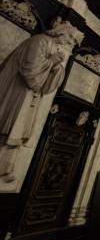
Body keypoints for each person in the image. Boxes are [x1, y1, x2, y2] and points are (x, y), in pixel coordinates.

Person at [0, 20, 83, 183]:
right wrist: (52, 61)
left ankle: (5, 167)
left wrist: (57, 67)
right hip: (18, 91)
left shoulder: (55, 47)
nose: (70, 43)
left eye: (73, 41)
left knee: (19, 130)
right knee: (9, 128)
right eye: (71, 39)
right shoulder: (40, 41)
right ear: (62, 33)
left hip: (31, 95)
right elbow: (29, 70)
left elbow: (51, 81)